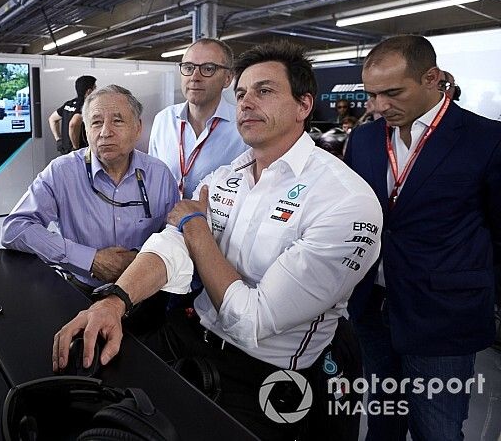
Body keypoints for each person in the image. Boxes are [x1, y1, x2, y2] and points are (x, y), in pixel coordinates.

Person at [53, 42, 383, 441]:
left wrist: (195, 226)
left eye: (264, 91)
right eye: (241, 93)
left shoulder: (345, 201)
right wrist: (115, 301)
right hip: (189, 336)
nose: (245, 103)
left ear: (303, 105)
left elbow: (253, 321)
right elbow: (171, 246)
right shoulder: (228, 176)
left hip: (266, 374)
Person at [344, 35, 501, 441]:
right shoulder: (363, 140)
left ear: (431, 78)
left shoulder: (486, 140)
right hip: (372, 309)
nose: (378, 107)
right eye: (371, 95)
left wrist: (477, 291)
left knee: (437, 429)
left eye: (392, 93)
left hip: (443, 316)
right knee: (382, 421)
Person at [2, 85, 179, 296]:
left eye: (117, 121)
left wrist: (142, 259)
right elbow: (15, 229)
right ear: (86, 131)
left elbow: (175, 235)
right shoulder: (61, 172)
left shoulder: (159, 175)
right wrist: (88, 259)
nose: (105, 132)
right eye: (96, 123)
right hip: (81, 293)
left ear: (138, 128)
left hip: (146, 294)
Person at [149, 38, 248, 199]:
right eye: (188, 67)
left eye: (208, 68)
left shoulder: (243, 126)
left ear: (228, 78)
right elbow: (153, 176)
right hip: (165, 221)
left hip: (216, 223)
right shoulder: (164, 120)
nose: (195, 77)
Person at [49, 75, 96, 154]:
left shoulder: (68, 104)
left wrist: (58, 139)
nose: (96, 91)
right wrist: (76, 147)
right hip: (79, 151)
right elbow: (73, 124)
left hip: (65, 148)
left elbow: (52, 119)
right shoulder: (85, 106)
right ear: (89, 91)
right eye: (95, 88)